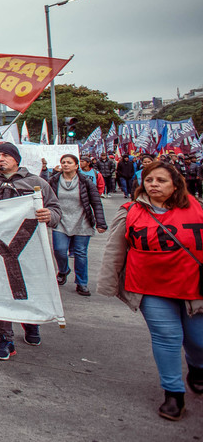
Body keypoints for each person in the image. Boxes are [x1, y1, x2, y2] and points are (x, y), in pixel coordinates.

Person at [97, 160, 203, 421]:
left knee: (197, 339)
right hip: (149, 287)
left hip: (194, 286)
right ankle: (173, 393)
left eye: (161, 180)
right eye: (149, 180)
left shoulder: (198, 209)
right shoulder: (130, 210)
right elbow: (114, 250)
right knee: (166, 337)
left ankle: (197, 368)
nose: (154, 184)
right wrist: (109, 283)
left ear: (176, 184)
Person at [0, 142, 61, 360]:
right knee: (1, 291)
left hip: (28, 247)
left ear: (16, 160)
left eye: (6, 155)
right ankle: (4, 338)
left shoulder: (36, 182)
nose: (0, 159)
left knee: (27, 287)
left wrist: (50, 216)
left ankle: (30, 322)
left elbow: (55, 208)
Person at [49, 155, 107, 296]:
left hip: (82, 222)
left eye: (69, 162)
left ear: (76, 166)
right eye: (63, 162)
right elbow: (45, 197)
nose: (66, 164)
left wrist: (100, 222)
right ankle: (63, 270)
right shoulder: (53, 181)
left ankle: (82, 283)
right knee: (59, 250)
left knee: (81, 253)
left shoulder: (86, 182)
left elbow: (96, 202)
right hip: (61, 222)